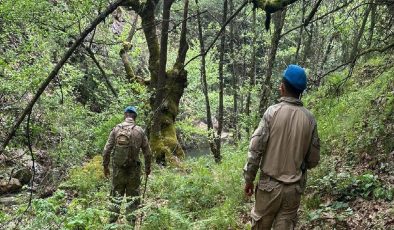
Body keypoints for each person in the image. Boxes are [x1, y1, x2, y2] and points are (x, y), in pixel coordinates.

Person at [243, 65, 320, 229]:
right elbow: (313, 160)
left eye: (280, 84)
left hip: (268, 188)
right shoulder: (310, 119)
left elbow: (255, 150)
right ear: (301, 91)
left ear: (283, 87)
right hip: (293, 191)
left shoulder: (271, 113)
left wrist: (249, 179)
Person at [102, 106, 152, 226]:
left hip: (118, 171)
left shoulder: (116, 130)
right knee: (133, 201)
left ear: (125, 115)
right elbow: (148, 153)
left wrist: (105, 167)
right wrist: (147, 169)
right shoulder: (139, 131)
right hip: (133, 172)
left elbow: (106, 150)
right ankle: (130, 225)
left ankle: (111, 225)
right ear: (135, 117)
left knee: (115, 198)